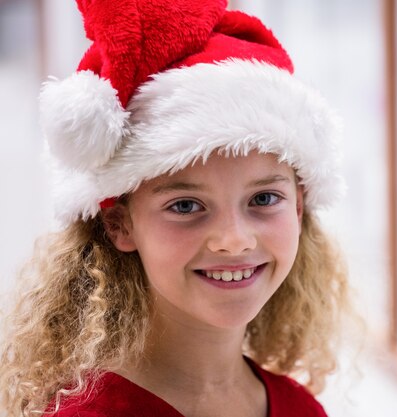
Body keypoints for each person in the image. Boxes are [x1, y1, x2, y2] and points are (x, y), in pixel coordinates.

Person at [0, 1, 354, 416]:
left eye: (263, 199)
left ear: (298, 207)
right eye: (186, 205)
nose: (234, 239)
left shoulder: (300, 407)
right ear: (120, 225)